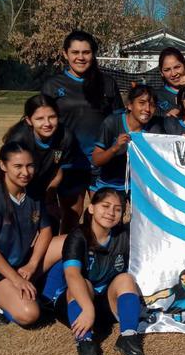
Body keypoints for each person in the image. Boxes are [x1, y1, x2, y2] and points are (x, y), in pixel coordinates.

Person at [43, 188, 143, 355]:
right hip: (75, 304)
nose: (111, 212)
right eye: (105, 206)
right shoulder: (77, 237)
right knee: (84, 283)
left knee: (125, 279)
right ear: (91, 208)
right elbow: (72, 275)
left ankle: (128, 336)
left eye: (118, 209)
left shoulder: (123, 236)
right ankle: (85, 342)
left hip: (103, 305)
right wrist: (88, 309)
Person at [40, 30, 124, 230]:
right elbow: (41, 123)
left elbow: (120, 121)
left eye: (86, 52)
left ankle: (101, 258)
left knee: (105, 217)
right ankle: (70, 259)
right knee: (70, 217)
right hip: (70, 163)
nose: (80, 57)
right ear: (65, 54)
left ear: (93, 54)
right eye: (75, 52)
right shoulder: (53, 86)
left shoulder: (107, 83)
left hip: (103, 162)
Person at [0, 141, 58, 327]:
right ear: (3, 166)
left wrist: (32, 265)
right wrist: (16, 279)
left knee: (68, 242)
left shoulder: (34, 192)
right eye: (18, 166)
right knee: (30, 314)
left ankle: (47, 295)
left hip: (23, 262)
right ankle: (1, 303)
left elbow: (46, 230)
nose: (25, 172)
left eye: (30, 165)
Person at [1, 95, 77, 227]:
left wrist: (49, 199)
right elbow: (12, 176)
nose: (47, 123)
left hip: (43, 184)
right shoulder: (19, 139)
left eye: (52, 117)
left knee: (49, 223)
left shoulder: (66, 137)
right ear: (29, 120)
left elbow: (58, 170)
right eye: (39, 118)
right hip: (14, 183)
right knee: (19, 224)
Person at [91, 84, 164, 192]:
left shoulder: (155, 130)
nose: (147, 109)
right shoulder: (112, 123)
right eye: (142, 103)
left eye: (152, 105)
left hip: (138, 186)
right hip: (108, 184)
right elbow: (96, 161)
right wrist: (115, 148)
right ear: (129, 105)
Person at [155, 47, 185, 117]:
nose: (173, 74)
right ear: (161, 73)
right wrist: (166, 116)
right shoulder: (155, 96)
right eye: (167, 70)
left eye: (177, 67)